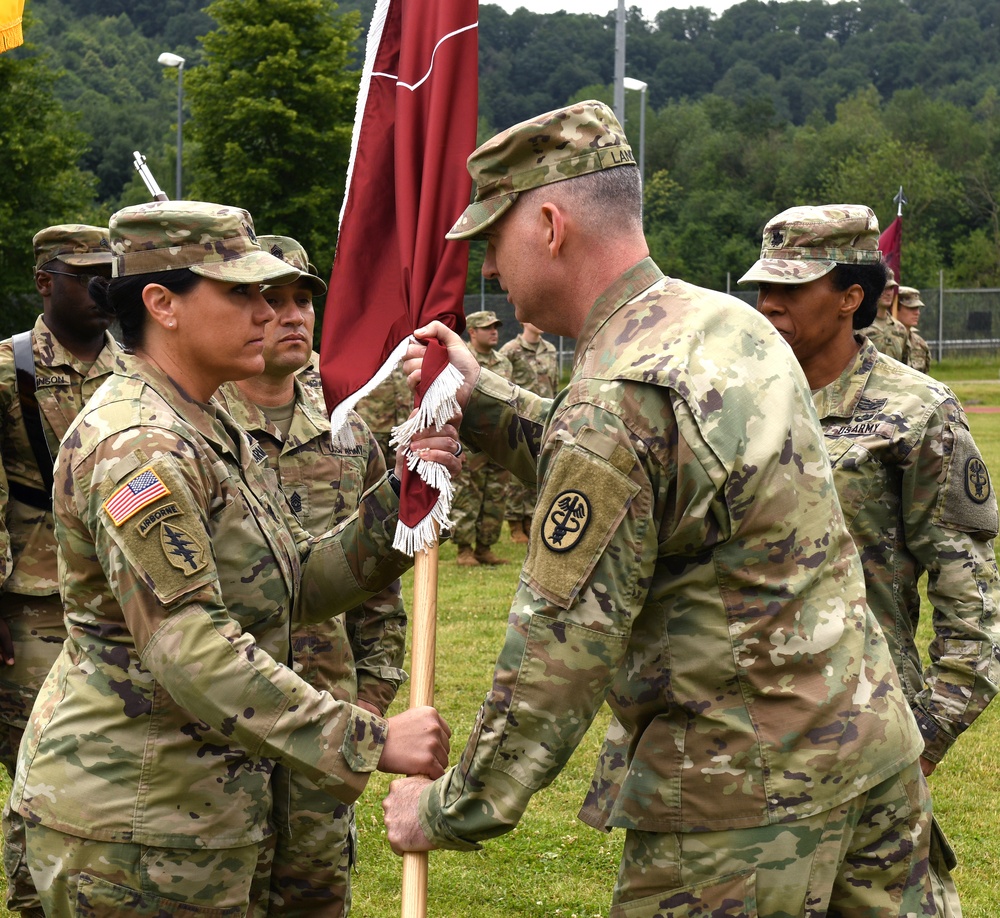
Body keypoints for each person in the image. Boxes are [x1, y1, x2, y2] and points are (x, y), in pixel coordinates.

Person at [382, 101, 935, 916]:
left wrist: (453, 806)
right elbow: (660, 485)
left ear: (548, 223)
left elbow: (560, 649)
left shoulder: (619, 392)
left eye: (491, 242)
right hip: (865, 757)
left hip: (741, 803)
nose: (489, 271)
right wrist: (486, 400)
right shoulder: (727, 326)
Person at [6, 200, 454, 916]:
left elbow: (289, 582)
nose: (266, 313)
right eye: (240, 292)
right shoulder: (140, 445)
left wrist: (395, 503)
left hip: (193, 815)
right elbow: (188, 646)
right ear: (162, 303)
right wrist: (364, 739)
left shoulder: (203, 422)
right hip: (136, 827)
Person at [741, 203, 1000, 918]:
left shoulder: (916, 413)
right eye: (764, 285)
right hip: (743, 745)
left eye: (793, 288)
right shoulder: (738, 402)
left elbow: (973, 613)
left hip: (870, 741)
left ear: (852, 296)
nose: (770, 302)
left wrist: (922, 743)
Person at [217, 235, 408, 916]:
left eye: (304, 299)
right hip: (222, 722)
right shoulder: (198, 426)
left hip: (328, 716)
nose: (294, 314)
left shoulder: (349, 425)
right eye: (273, 299)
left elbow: (378, 593)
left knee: (314, 895)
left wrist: (373, 699)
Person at [0, 224, 118, 914]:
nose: (104, 288)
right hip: (35, 600)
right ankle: (34, 900)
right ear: (46, 282)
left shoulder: (137, 365)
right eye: (87, 276)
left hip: (121, 590)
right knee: (37, 765)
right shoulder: (10, 368)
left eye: (112, 273)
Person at [450, 310, 513, 566]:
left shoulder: (504, 362)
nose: (494, 331)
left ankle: (485, 547)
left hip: (497, 439)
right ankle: (464, 548)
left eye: (495, 326)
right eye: (487, 327)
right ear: (472, 332)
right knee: (467, 493)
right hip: (469, 440)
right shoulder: (459, 360)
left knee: (495, 494)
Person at [499, 321, 558, 544]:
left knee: (541, 467)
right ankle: (515, 522)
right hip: (520, 416)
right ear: (523, 323)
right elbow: (504, 383)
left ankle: (532, 518)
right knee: (517, 472)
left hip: (544, 416)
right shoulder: (510, 350)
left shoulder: (550, 349)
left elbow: (553, 383)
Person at [354, 362, 411, 469]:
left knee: (401, 473)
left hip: (404, 428)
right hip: (373, 427)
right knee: (374, 471)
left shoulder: (405, 353)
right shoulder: (364, 356)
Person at [858, 265, 909, 361]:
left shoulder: (900, 329)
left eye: (891, 288)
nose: (889, 293)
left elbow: (905, 363)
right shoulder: (861, 326)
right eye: (885, 288)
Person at [898, 284, 932, 373]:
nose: (917, 313)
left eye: (917, 308)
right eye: (911, 308)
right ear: (895, 307)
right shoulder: (884, 340)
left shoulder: (920, 344)